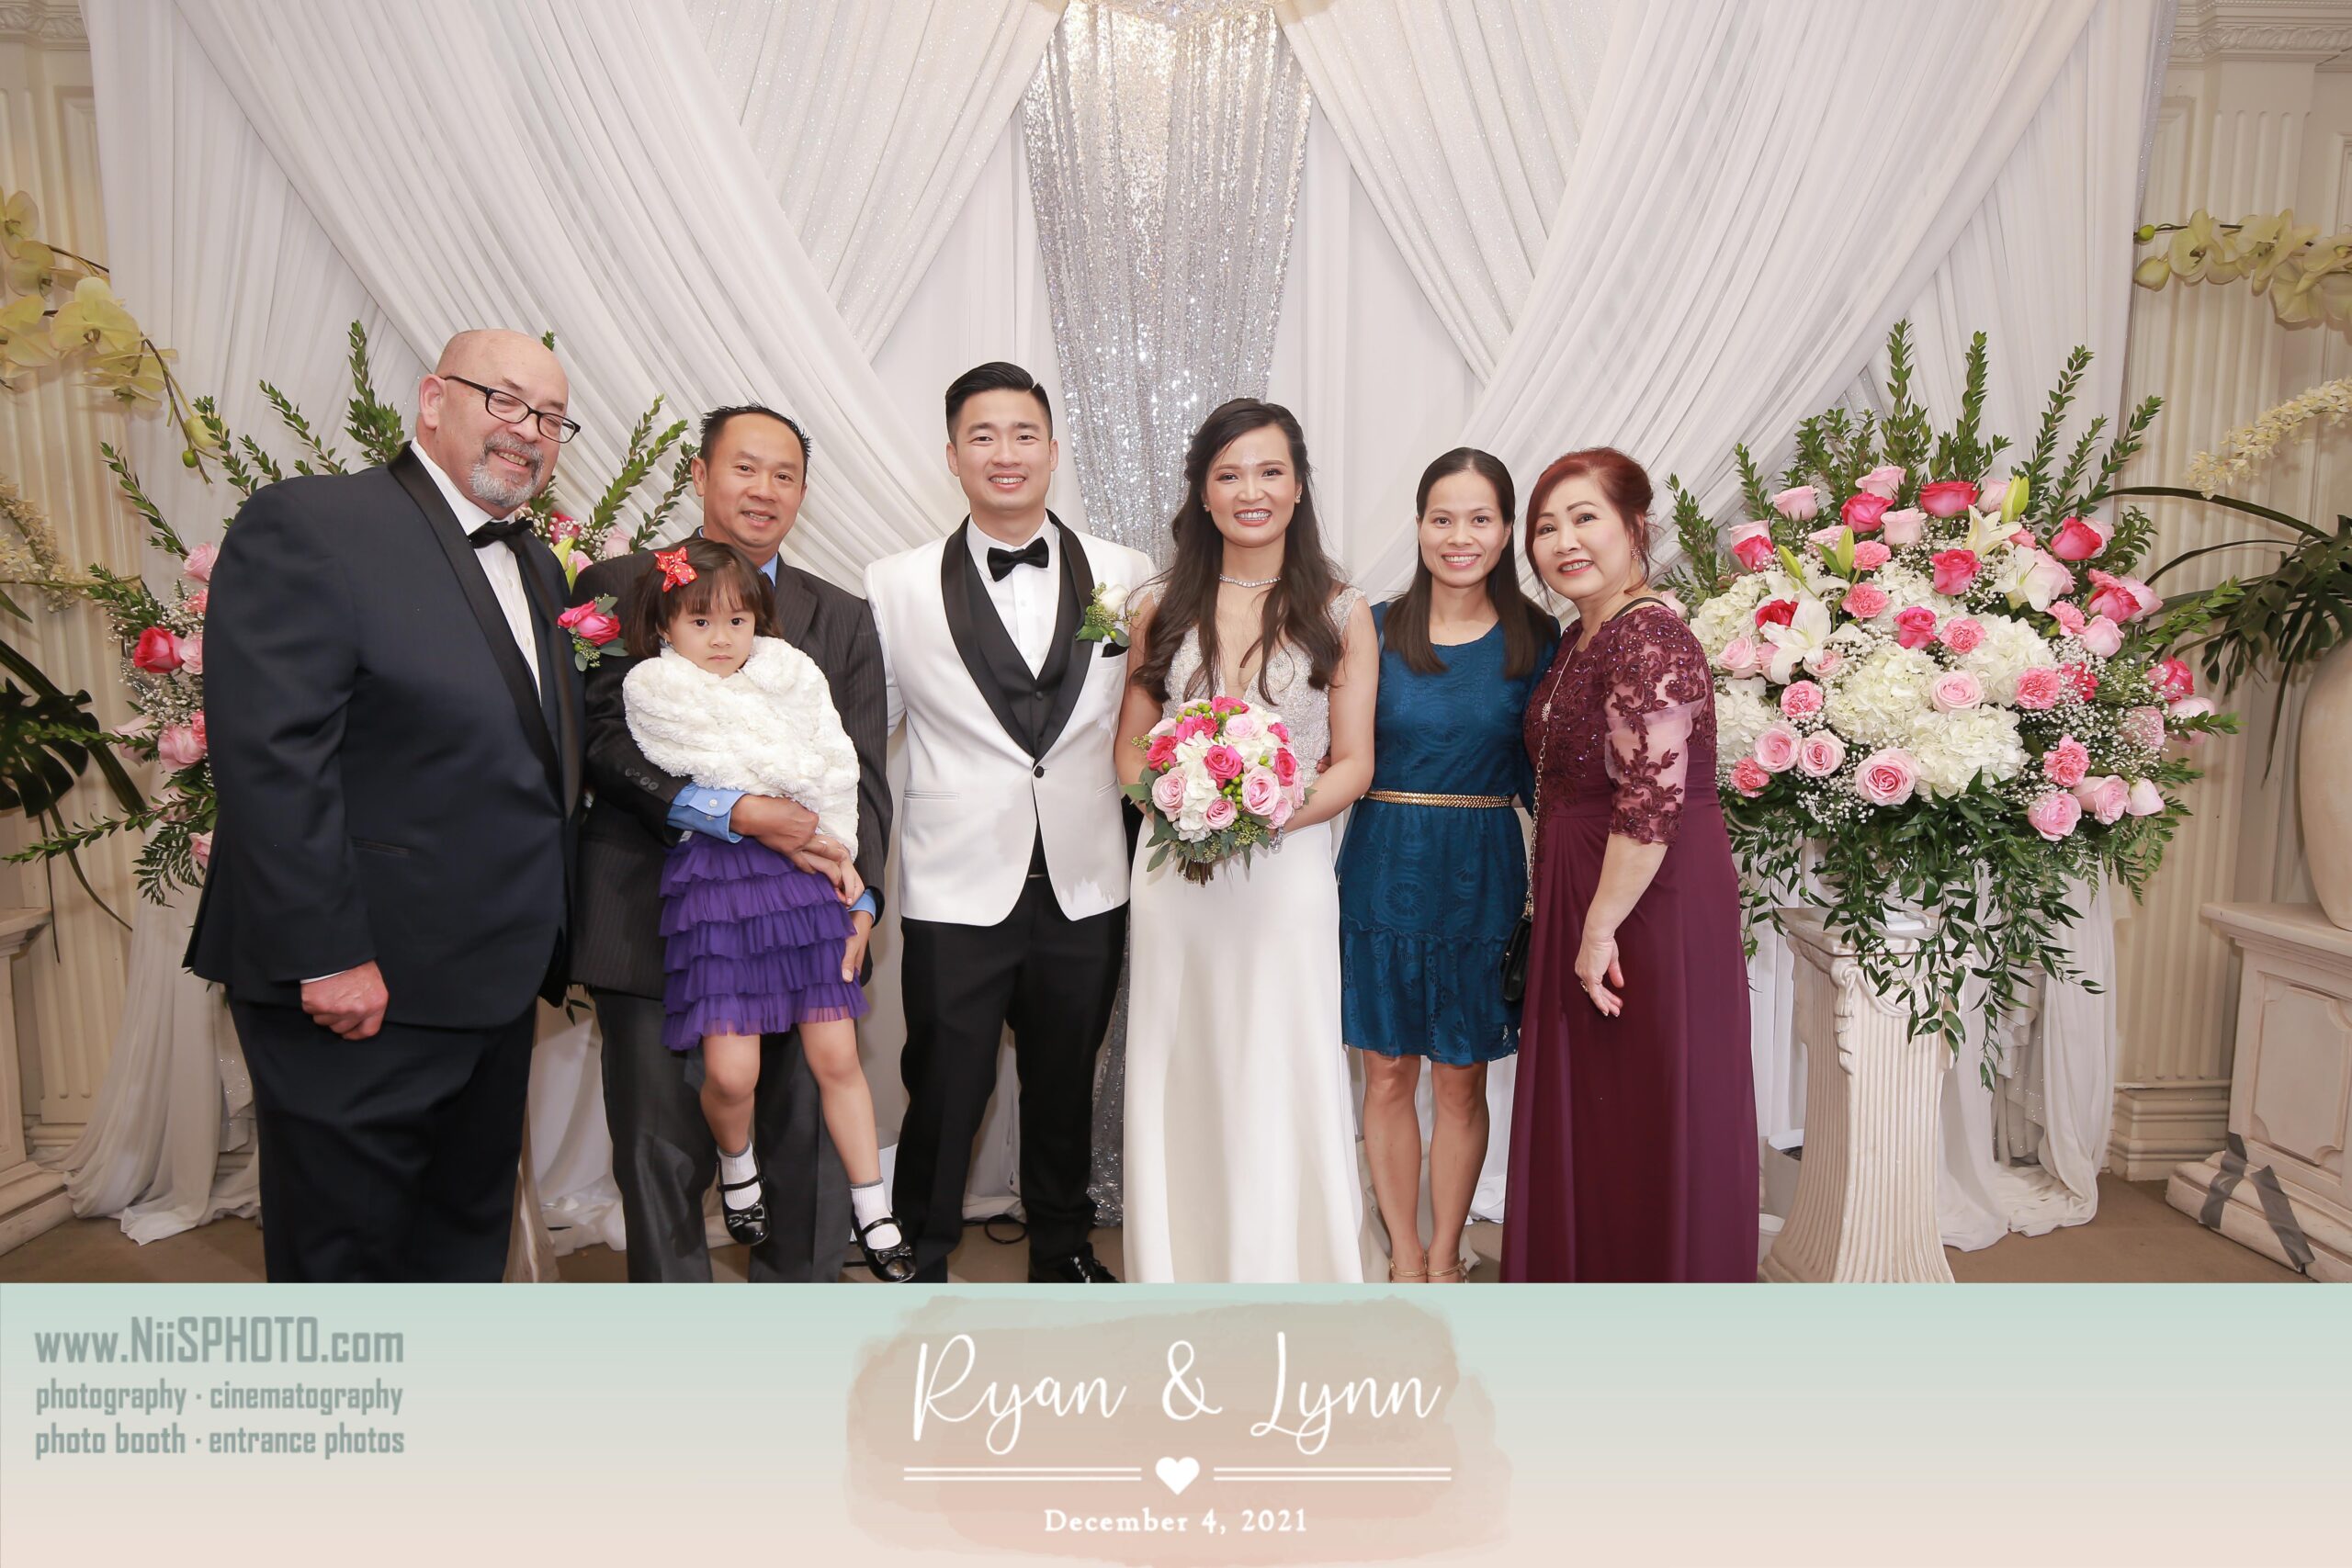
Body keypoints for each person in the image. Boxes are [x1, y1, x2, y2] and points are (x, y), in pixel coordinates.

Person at [188, 329, 583, 1281]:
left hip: (489, 985)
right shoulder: (314, 522)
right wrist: (327, 955)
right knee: (347, 1267)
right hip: (357, 987)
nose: (527, 431)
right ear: (432, 399)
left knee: (459, 1252)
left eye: (551, 418)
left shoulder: (536, 565)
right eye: (504, 399)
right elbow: (272, 757)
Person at [570, 405, 889, 1283]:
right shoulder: (619, 583)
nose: (764, 490)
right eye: (745, 468)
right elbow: (603, 741)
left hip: (803, 923)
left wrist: (861, 899)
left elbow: (860, 771)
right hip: (654, 915)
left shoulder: (842, 615)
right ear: (702, 474)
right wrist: (732, 810)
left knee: (808, 1157)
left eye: (785, 475)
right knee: (662, 1157)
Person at [865, 362, 1152, 1284]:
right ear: (952, 456)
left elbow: (1144, 713)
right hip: (953, 880)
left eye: (1024, 434)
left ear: (1053, 451)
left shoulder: (1126, 574)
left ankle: (1063, 1250)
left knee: (1066, 1079)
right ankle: (924, 1256)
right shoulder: (894, 583)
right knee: (946, 1082)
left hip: (1086, 875)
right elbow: (869, 735)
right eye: (982, 435)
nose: (1005, 452)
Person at [1115, 398, 1380, 1283]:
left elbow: (1353, 762)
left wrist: (1261, 816)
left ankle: (1290, 1271)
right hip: (1176, 878)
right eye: (1228, 474)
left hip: (1287, 872)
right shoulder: (1156, 603)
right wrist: (1180, 806)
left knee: (1279, 1059)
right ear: (1202, 491)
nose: (1250, 491)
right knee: (1186, 1060)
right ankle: (1181, 1271)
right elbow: (1129, 748)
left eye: (1270, 471)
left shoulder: (1342, 609)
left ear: (1299, 487)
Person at [617, 537, 913, 1281]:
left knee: (837, 1057)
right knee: (732, 1073)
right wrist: (780, 796)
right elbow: (718, 763)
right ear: (664, 626)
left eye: (738, 621)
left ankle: (874, 1210)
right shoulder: (657, 686)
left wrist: (840, 854)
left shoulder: (791, 673)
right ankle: (737, 1158)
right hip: (722, 886)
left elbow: (839, 764)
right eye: (700, 622)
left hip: (806, 880)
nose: (722, 639)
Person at [1502, 447, 1757, 1282]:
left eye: (1586, 518)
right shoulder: (1582, 636)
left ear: (1635, 527)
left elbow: (1652, 800)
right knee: (1603, 1110)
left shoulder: (1648, 635)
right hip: (1590, 884)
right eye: (1546, 527)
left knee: (1650, 1104)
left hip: (1646, 896)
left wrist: (1598, 927)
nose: (1565, 541)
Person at [1337, 448, 1556, 1284]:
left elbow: (1552, 776)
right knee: (1388, 1072)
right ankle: (1403, 1251)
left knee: (1462, 1079)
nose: (1459, 536)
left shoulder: (1539, 639)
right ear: (1420, 525)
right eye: (1442, 518)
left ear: (1505, 532)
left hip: (1482, 877)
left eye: (1479, 519)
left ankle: (1444, 1254)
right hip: (1382, 863)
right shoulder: (1373, 625)